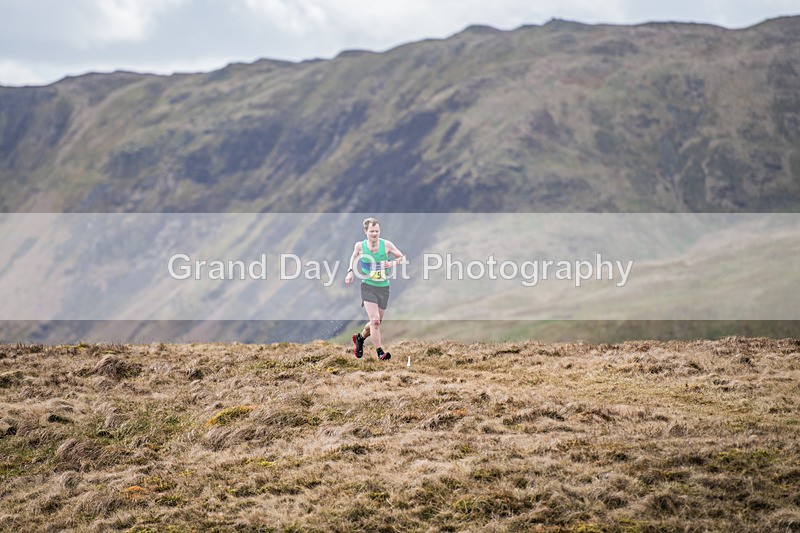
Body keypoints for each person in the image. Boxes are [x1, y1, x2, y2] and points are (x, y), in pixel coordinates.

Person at [345, 217, 405, 361]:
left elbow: (402, 258)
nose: (375, 234)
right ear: (365, 231)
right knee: (375, 321)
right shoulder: (360, 246)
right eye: (372, 231)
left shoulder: (386, 245)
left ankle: (360, 338)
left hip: (383, 287)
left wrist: (391, 264)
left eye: (377, 231)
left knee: (375, 323)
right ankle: (380, 353)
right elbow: (353, 257)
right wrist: (350, 271)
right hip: (368, 286)